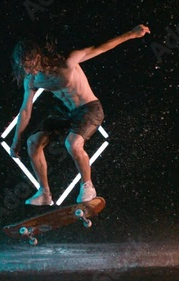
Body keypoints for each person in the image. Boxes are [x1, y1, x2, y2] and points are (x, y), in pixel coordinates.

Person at [10, 24, 151, 206]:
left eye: (28, 65)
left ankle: (88, 186)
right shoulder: (31, 80)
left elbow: (101, 48)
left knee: (73, 143)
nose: (27, 70)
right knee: (32, 143)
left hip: (89, 108)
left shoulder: (67, 62)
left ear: (37, 57)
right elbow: (25, 110)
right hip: (67, 113)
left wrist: (131, 34)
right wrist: (16, 139)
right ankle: (44, 193)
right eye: (22, 67)